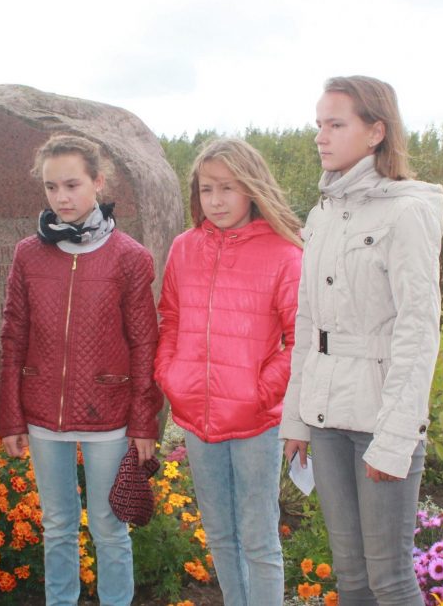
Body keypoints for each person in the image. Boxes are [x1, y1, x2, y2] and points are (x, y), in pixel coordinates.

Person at [281, 76, 443, 606]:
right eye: (318, 124)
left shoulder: (407, 211)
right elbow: (308, 323)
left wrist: (395, 438)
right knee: (350, 577)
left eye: (335, 124)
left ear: (376, 131)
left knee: (390, 581)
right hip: (325, 417)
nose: (320, 136)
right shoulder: (321, 214)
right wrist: (296, 419)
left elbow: (418, 330)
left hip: (379, 418)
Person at [0, 134, 162, 606]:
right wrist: (10, 417)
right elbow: (13, 337)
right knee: (57, 525)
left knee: (109, 527)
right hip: (42, 412)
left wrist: (143, 422)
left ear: (98, 182)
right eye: (51, 187)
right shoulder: (28, 254)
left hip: (108, 413)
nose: (61, 197)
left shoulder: (130, 257)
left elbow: (144, 344)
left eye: (72, 185)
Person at [154, 138, 303, 606]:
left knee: (258, 538)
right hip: (197, 418)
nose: (215, 201)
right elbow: (170, 318)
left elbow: (300, 339)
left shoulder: (283, 252)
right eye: (206, 189)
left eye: (227, 188)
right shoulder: (184, 248)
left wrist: (260, 391)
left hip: (256, 421)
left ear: (252, 189)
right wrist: (171, 376)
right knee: (219, 534)